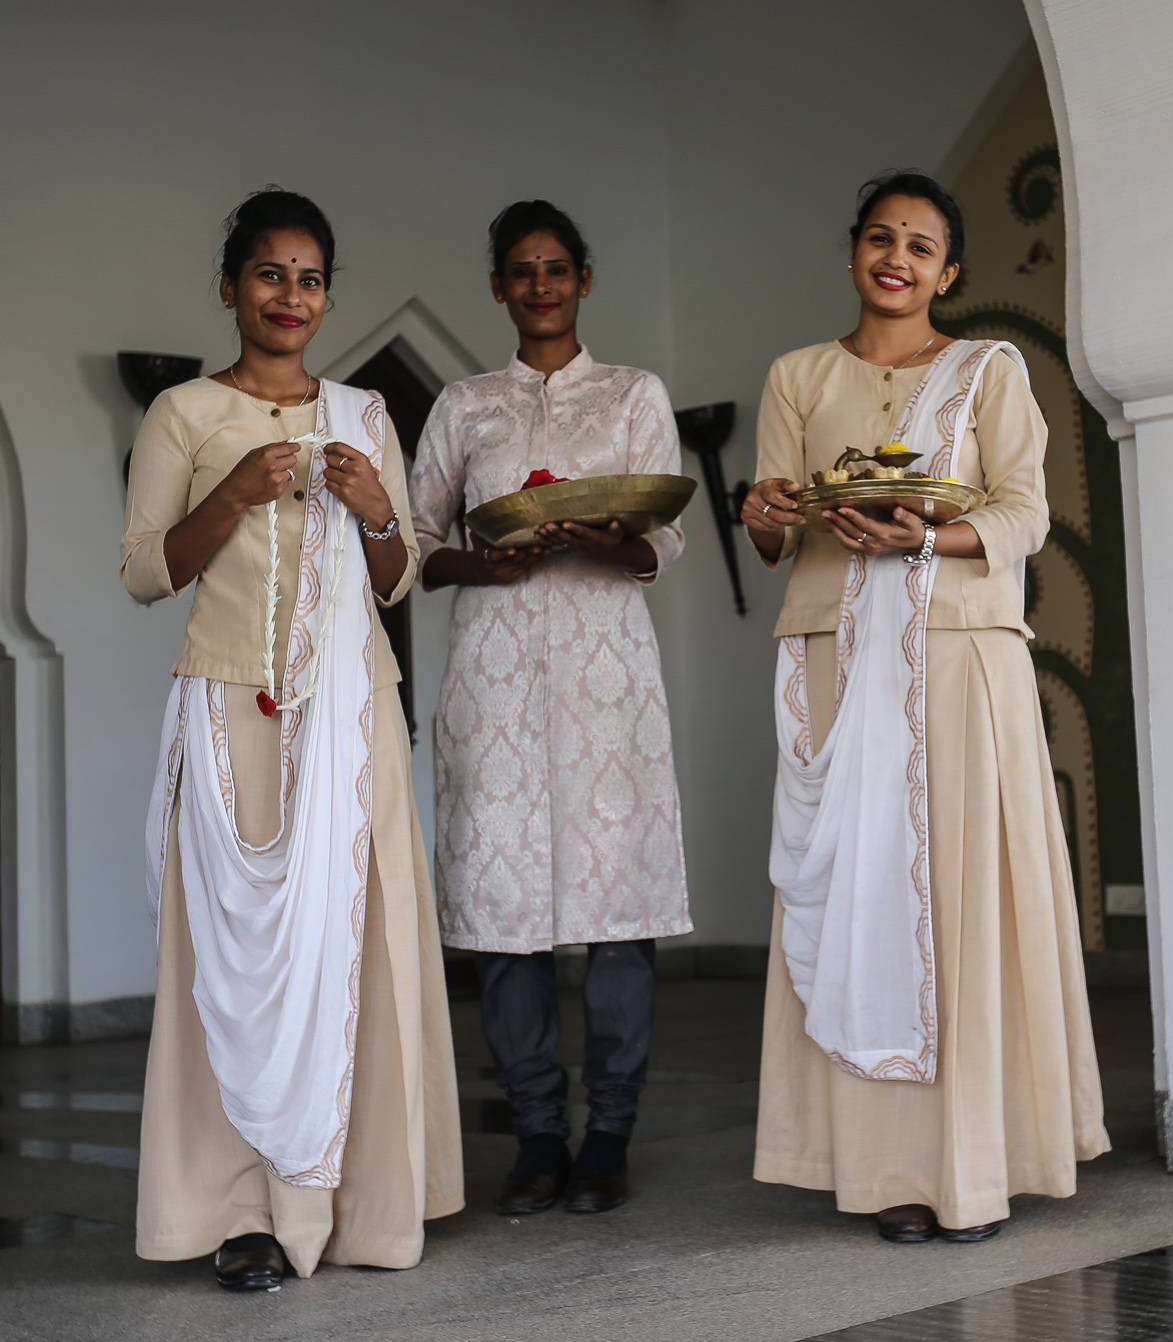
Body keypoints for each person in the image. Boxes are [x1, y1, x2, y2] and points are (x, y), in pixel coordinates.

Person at [741, 171, 1109, 1243]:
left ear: (950, 271)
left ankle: (980, 1160)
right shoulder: (798, 376)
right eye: (879, 237)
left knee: (956, 897)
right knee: (857, 897)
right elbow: (776, 531)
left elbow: (1024, 512)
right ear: (852, 250)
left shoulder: (988, 373)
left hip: (954, 654)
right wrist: (768, 511)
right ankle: (887, 1169)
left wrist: (925, 538)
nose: (896, 258)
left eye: (921, 245)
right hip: (837, 658)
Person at [121, 188, 462, 1291]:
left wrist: (373, 510)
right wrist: (230, 492)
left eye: (311, 278)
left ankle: (363, 1201)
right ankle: (238, 1212)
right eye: (271, 274)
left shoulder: (365, 416)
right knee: (235, 964)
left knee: (352, 942)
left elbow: (400, 572)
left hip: (350, 715)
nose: (291, 296)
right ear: (231, 286)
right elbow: (144, 570)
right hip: (230, 712)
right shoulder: (182, 413)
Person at [410, 199, 690, 1217]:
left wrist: (605, 539)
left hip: (608, 681)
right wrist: (480, 561)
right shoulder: (464, 405)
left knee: (621, 912)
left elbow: (663, 536)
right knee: (505, 914)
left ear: (583, 280)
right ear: (498, 287)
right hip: (494, 677)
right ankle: (536, 1133)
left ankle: (607, 1134)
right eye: (521, 271)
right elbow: (407, 540)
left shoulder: (631, 393)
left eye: (557, 269)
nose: (540, 286)